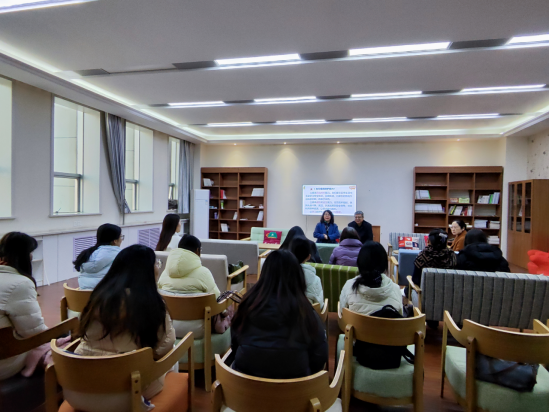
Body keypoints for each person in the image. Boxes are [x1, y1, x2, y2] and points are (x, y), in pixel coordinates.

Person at [68, 245, 176, 412]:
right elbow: (163, 347)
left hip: (83, 389)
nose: (158, 268)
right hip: (127, 393)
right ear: (147, 271)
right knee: (172, 351)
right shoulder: (152, 303)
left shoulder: (98, 296)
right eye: (157, 263)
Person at [231, 250, 328, 379]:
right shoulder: (306, 312)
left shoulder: (247, 306)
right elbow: (320, 356)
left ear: (264, 275)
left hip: (245, 387)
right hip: (296, 388)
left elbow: (235, 344)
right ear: (297, 277)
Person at [0, 232, 48, 380]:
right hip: (6, 360)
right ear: (24, 255)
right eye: (30, 253)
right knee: (65, 338)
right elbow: (34, 333)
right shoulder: (20, 284)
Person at [158, 235, 221, 339]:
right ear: (197, 251)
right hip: (197, 332)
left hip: (168, 330)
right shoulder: (204, 273)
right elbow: (217, 301)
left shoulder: (165, 273)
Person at [340, 241, 403, 316]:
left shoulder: (349, 286)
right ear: (384, 264)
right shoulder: (396, 290)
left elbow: (342, 315)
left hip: (355, 324)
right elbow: (400, 317)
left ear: (360, 263)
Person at [405, 229, 457, 296]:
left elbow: (415, 280)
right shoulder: (452, 256)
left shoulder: (423, 256)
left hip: (424, 294)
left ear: (428, 241)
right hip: (448, 294)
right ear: (445, 242)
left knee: (406, 289)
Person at [74, 224, 123, 290]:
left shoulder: (88, 254)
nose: (121, 240)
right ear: (115, 241)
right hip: (105, 295)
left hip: (83, 295)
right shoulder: (119, 254)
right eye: (121, 237)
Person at [289, 236, 324, 308]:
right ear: (309, 256)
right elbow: (319, 305)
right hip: (308, 314)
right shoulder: (315, 279)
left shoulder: (280, 274)